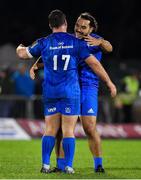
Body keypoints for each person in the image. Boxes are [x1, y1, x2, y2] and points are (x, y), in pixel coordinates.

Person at [16, 9, 116, 174]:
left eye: (83, 27)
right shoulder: (71, 40)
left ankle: (98, 163)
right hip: (72, 87)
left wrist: (101, 43)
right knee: (60, 130)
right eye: (77, 25)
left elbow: (109, 48)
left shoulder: (94, 40)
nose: (78, 29)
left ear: (91, 30)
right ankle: (61, 165)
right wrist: (37, 65)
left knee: (89, 127)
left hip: (88, 88)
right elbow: (54, 56)